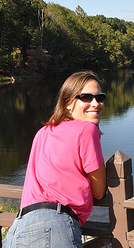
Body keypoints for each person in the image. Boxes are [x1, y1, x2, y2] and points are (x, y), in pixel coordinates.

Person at [3, 71, 107, 248]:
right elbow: (99, 191)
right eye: (86, 97)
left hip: (17, 230)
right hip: (54, 227)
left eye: (100, 97)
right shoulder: (87, 129)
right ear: (67, 104)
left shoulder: (43, 132)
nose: (95, 104)